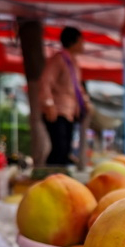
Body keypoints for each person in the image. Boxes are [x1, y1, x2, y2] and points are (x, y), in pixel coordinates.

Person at [39, 26, 89, 166]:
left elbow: (77, 88)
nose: (83, 44)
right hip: (57, 111)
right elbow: (46, 81)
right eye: (81, 41)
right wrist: (49, 105)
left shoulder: (74, 63)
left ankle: (60, 178)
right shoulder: (59, 59)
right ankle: (49, 178)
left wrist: (85, 103)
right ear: (76, 41)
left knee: (66, 149)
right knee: (59, 149)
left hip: (69, 112)